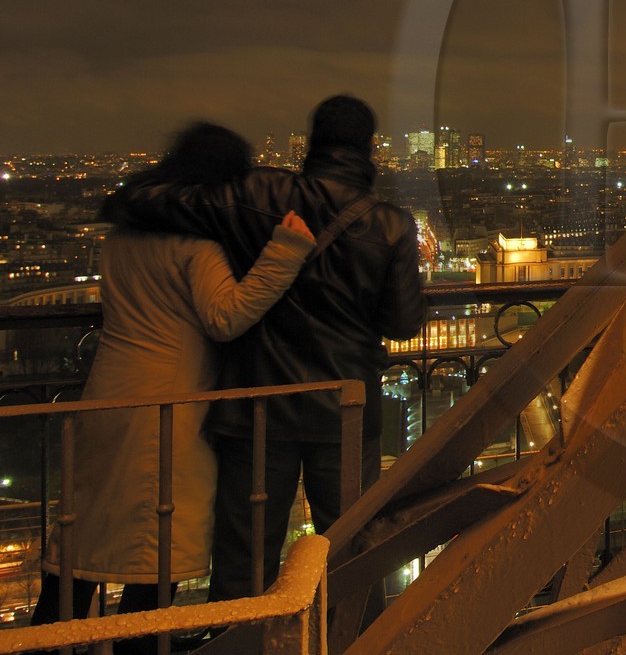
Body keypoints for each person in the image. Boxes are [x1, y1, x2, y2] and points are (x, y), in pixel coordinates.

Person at [106, 94, 425, 603]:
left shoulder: (256, 192)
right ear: (371, 148)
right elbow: (405, 323)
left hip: (257, 406)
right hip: (342, 408)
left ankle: (240, 640)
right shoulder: (389, 223)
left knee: (244, 563)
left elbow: (140, 204)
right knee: (351, 558)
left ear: (311, 142)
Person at [33, 123, 315, 652]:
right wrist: (286, 250)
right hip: (168, 400)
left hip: (109, 389)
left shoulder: (123, 236)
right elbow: (226, 317)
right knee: (154, 543)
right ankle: (140, 645)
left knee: (85, 531)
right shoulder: (193, 245)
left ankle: (46, 643)